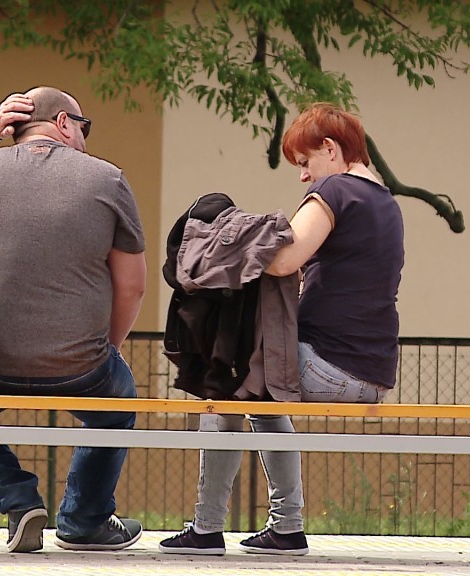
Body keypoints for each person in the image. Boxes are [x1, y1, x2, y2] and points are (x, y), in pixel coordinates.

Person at [159, 102, 404, 556]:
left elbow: (285, 259)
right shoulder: (385, 202)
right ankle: (284, 529)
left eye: (305, 162)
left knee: (226, 385)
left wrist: (229, 236)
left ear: (330, 149)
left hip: (329, 367)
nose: (304, 176)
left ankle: (209, 529)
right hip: (370, 372)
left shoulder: (336, 190)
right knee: (258, 394)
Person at [0, 86, 147, 554]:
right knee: (117, 404)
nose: (84, 138)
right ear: (62, 123)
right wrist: (106, 349)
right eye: (83, 126)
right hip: (80, 367)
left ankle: (18, 500)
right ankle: (84, 522)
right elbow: (132, 286)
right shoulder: (108, 179)